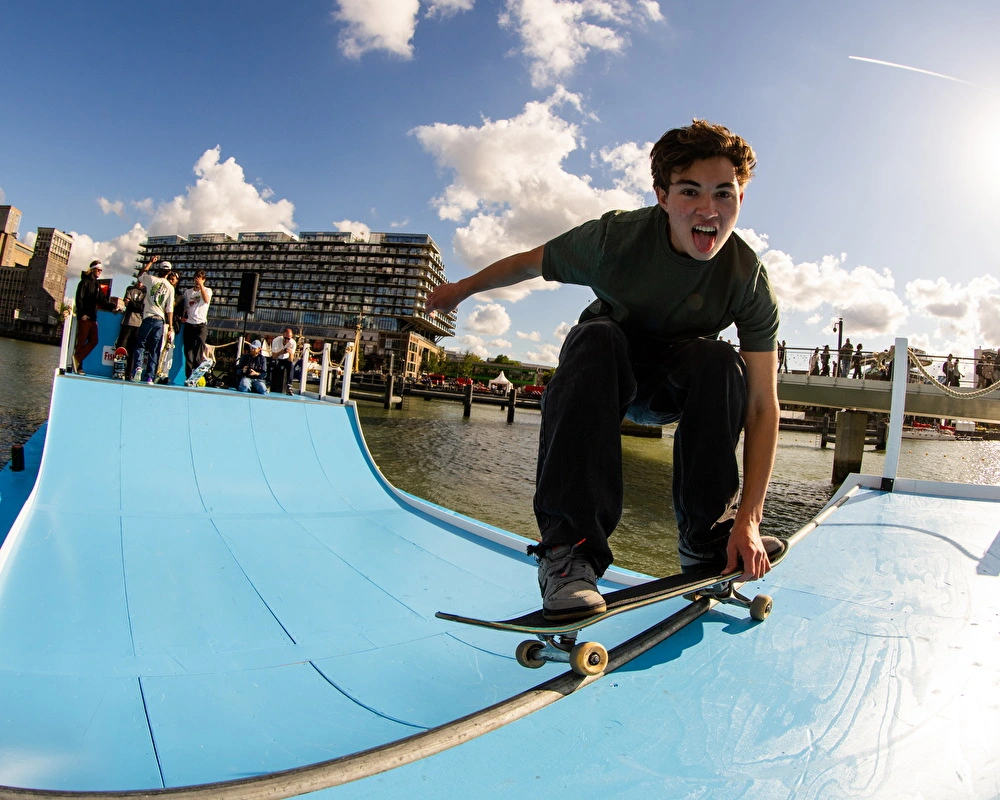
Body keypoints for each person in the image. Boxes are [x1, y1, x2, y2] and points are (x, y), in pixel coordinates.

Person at [427, 119, 782, 621]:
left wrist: (750, 518)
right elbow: (529, 263)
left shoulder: (748, 279)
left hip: (668, 388)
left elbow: (764, 405)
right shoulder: (615, 240)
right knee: (598, 337)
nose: (708, 211)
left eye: (724, 194)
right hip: (602, 374)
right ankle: (570, 553)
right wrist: (459, 289)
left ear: (741, 197)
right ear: (661, 196)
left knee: (721, 362)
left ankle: (710, 539)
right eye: (690, 192)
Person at [132, 255, 179, 383]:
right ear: (169, 272)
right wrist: (170, 326)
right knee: (155, 349)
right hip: (160, 320)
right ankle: (150, 376)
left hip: (148, 316)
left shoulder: (151, 279)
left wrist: (150, 262)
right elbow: (170, 309)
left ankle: (137, 367)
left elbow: (141, 274)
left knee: (141, 344)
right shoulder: (170, 287)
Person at [72, 260, 113, 373]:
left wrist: (112, 307)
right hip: (85, 317)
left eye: (101, 270)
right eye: (98, 269)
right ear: (92, 269)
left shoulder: (96, 284)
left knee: (94, 340)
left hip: (92, 317)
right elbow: (79, 298)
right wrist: (82, 314)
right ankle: (79, 366)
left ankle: (77, 359)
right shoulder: (84, 282)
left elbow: (102, 299)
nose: (99, 272)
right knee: (81, 342)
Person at [181, 269, 213, 378]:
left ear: (203, 280)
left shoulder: (207, 290)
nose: (197, 281)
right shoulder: (188, 292)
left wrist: (201, 286)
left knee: (198, 351)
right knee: (188, 353)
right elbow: (185, 307)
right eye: (196, 278)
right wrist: (183, 316)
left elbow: (206, 300)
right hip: (189, 324)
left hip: (201, 324)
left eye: (199, 279)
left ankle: (198, 373)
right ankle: (189, 376)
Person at [116, 278, 147, 376]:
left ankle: (129, 373)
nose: (140, 283)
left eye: (142, 281)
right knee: (122, 347)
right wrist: (134, 305)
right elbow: (127, 304)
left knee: (134, 349)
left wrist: (132, 303)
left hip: (139, 324)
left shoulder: (146, 293)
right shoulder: (130, 289)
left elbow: (143, 307)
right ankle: (118, 371)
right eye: (139, 281)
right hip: (127, 322)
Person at [270, 327, 297, 394]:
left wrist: (290, 353)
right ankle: (268, 382)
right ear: (283, 335)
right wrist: (280, 352)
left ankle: (289, 386)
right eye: (285, 338)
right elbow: (273, 356)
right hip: (277, 358)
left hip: (286, 359)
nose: (287, 340)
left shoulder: (293, 343)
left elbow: (291, 360)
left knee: (291, 365)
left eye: (288, 339)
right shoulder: (276, 340)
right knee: (272, 362)